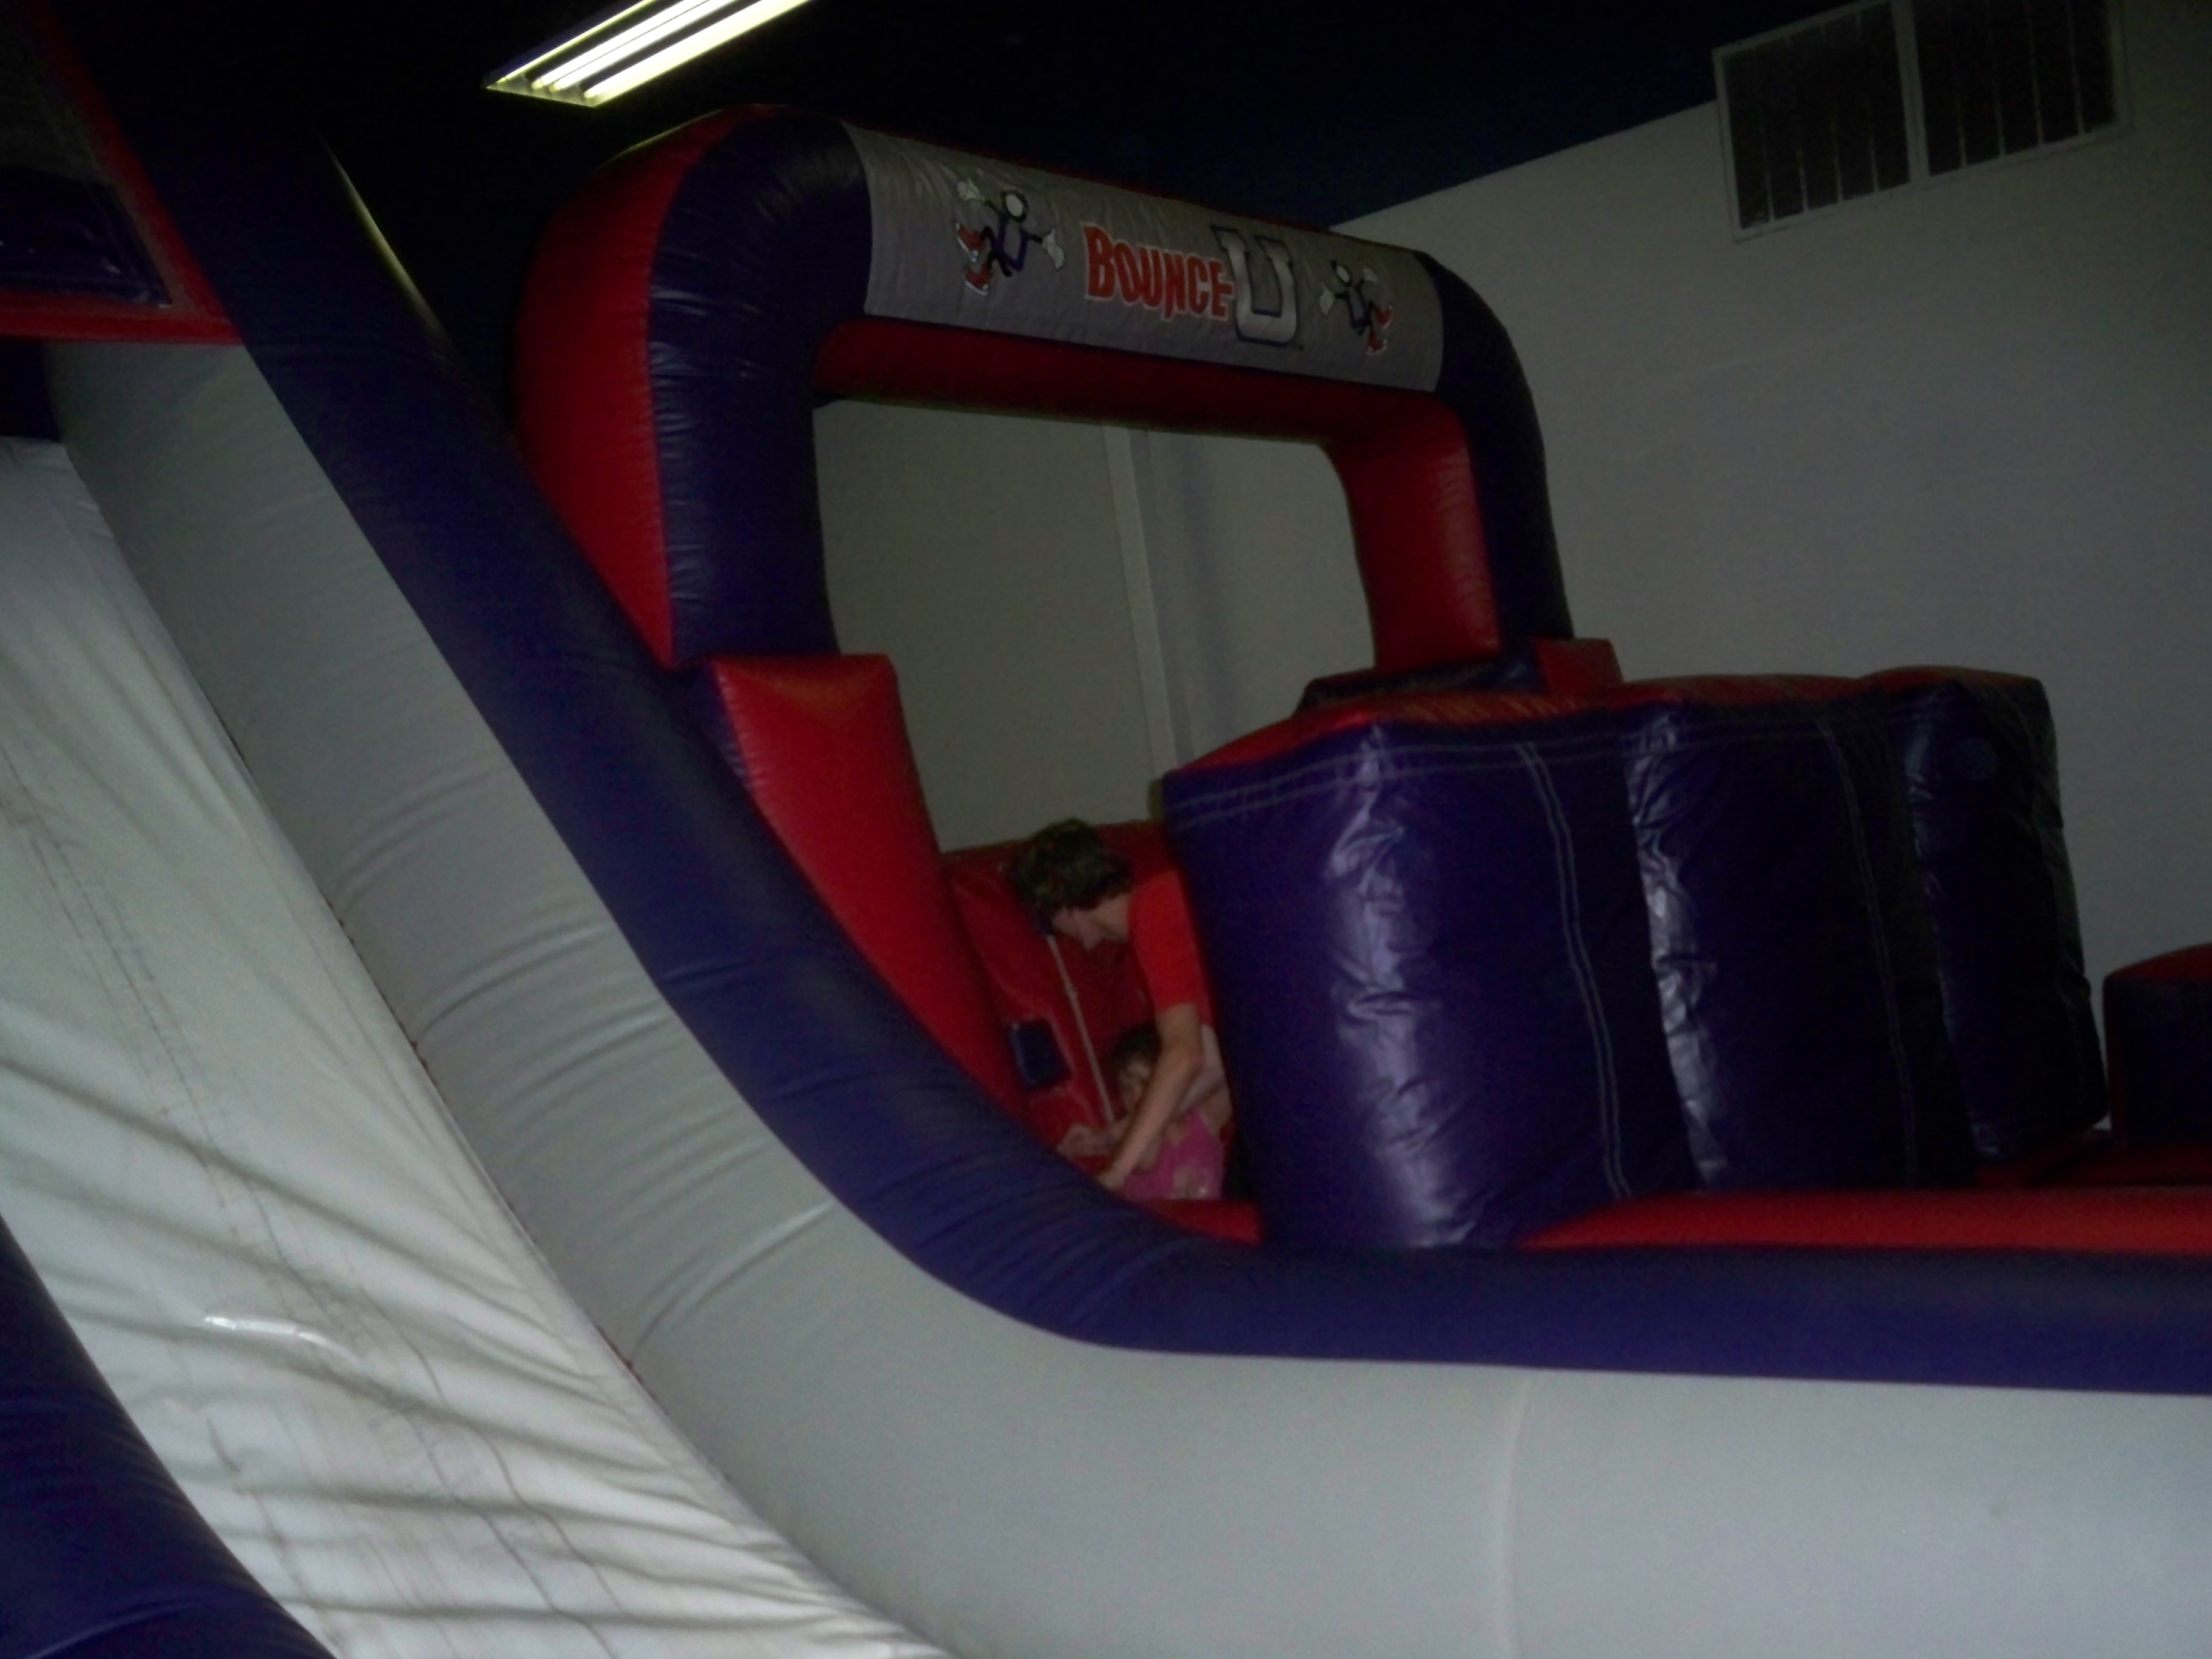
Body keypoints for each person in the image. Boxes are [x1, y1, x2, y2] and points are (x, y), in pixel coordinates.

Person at [1009, 820, 1229, 1193]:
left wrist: (1116, 1171)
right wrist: (1114, 1136)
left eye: (1050, 922)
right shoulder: (1162, 905)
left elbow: (1184, 1054)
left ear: (1064, 907)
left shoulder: (1153, 911)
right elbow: (1212, 1065)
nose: (1059, 934)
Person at [1102, 1022, 1226, 1201]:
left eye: (1146, 1084)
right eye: (1126, 1088)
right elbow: (1146, 1158)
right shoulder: (1125, 1134)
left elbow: (1226, 1069)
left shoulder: (1203, 1121)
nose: (1136, 1096)